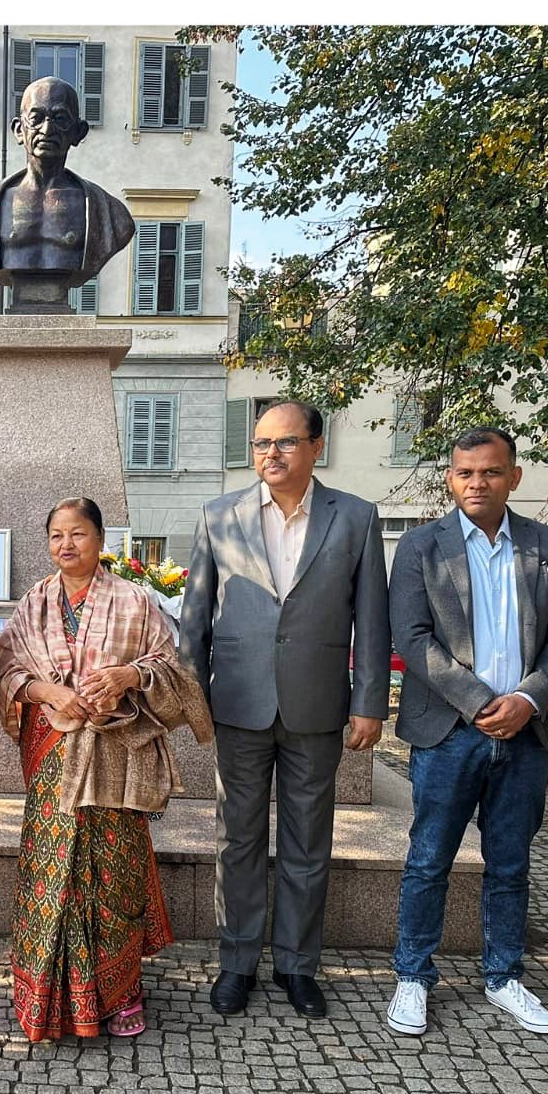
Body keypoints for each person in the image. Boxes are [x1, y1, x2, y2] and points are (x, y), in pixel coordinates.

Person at [180, 400, 390, 1020]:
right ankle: (237, 963)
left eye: (286, 442)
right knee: (236, 840)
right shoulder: (220, 515)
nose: (271, 454)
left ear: (316, 447)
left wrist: (369, 702)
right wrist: (192, 700)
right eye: (261, 443)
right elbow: (195, 619)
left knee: (308, 842)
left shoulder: (355, 518)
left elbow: (372, 621)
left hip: (317, 706)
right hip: (239, 705)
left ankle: (298, 965)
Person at [384, 427, 548, 1037]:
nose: (478, 482)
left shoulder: (547, 546)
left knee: (510, 861)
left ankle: (504, 978)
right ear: (450, 477)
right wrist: (478, 701)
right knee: (428, 859)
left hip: (525, 733)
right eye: (465, 472)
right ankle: (413, 977)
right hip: (450, 731)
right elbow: (412, 638)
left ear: (514, 477)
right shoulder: (421, 546)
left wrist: (527, 697)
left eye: (491, 472)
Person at [0, 498, 212, 1041]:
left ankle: (120, 992)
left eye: (79, 534)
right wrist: (46, 691)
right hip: (50, 747)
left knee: (113, 870)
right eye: (56, 536)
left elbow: (172, 670)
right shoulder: (33, 603)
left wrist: (124, 677)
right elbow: (6, 670)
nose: (67, 545)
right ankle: (48, 992)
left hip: (115, 750)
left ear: (100, 540)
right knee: (53, 868)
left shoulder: (135, 601)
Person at [0, 76, 135, 303]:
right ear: (19, 130)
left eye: (60, 119)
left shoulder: (108, 212)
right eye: (36, 118)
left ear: (78, 132)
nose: (47, 129)